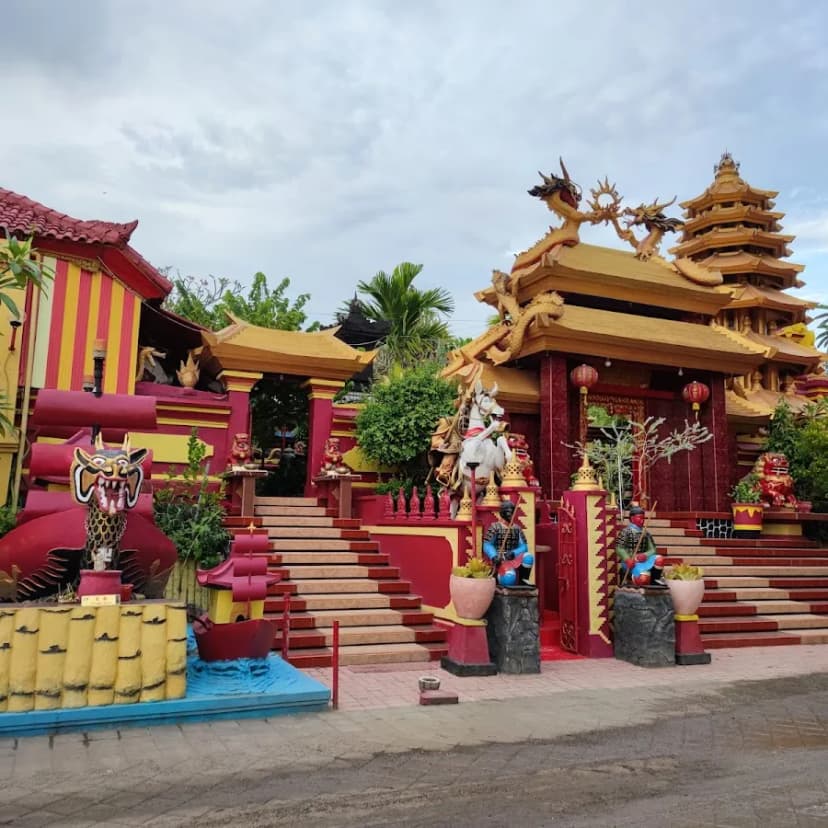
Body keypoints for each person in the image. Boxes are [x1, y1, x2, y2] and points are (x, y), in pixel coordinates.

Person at [482, 500, 534, 587]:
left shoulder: (517, 528)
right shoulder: (495, 527)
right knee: (509, 579)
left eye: (512, 512)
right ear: (502, 513)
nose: (510, 515)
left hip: (513, 557)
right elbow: (487, 544)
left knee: (528, 557)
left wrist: (514, 553)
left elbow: (524, 547)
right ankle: (501, 579)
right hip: (500, 558)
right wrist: (494, 556)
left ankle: (523, 580)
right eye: (508, 512)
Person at [616, 506, 667, 588]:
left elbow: (653, 549)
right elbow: (619, 548)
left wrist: (645, 555)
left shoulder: (645, 533)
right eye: (639, 518)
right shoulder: (625, 532)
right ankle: (640, 579)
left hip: (644, 560)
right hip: (631, 562)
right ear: (632, 519)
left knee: (659, 559)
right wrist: (627, 559)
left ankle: (655, 579)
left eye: (643, 518)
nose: (642, 520)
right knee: (643, 580)